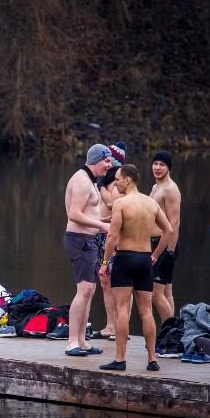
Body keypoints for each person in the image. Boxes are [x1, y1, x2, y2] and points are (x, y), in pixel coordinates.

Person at [99, 164, 173, 371]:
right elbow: (168, 230)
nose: (115, 183)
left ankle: (120, 359)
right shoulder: (151, 203)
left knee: (122, 310)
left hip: (124, 258)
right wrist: (155, 255)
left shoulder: (120, 203)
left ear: (128, 180)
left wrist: (105, 263)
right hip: (144, 259)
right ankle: (152, 359)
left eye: (117, 179)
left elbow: (112, 236)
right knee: (146, 311)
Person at [62, 144, 113, 356]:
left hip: (88, 240)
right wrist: (102, 226)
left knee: (89, 291)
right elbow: (73, 214)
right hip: (79, 240)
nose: (110, 166)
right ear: (95, 160)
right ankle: (71, 341)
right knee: (83, 290)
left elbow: (86, 213)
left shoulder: (90, 180)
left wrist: (101, 219)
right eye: (107, 161)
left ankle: (82, 341)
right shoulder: (82, 181)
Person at [93, 141, 126, 340]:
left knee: (117, 282)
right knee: (105, 281)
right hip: (101, 235)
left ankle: (120, 325)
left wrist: (101, 186)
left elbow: (112, 203)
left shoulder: (117, 181)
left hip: (113, 236)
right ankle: (110, 325)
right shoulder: (105, 180)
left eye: (107, 160)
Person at [149, 150, 182, 322]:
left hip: (165, 245)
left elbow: (174, 223)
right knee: (166, 291)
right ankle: (171, 332)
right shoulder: (156, 187)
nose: (158, 168)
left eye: (162, 165)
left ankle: (171, 331)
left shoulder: (170, 189)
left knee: (156, 293)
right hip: (154, 243)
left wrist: (169, 252)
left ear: (168, 167)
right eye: (155, 164)